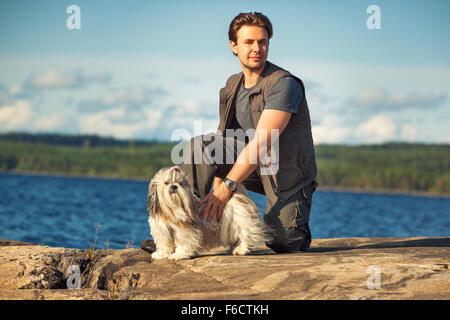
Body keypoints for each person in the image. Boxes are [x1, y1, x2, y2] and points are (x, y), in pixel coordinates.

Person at [142, 12, 317, 254]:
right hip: (249, 164)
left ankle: (298, 227)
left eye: (263, 42)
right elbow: (221, 142)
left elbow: (263, 143)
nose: (257, 48)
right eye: (249, 42)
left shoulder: (283, 84)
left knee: (282, 241)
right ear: (233, 46)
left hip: (285, 173)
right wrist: (215, 189)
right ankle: (179, 231)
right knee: (199, 146)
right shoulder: (231, 85)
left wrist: (226, 189)